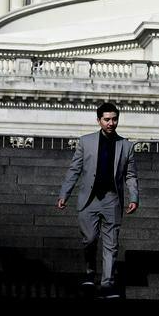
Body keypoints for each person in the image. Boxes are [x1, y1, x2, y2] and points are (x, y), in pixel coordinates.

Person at [56, 102, 139, 298]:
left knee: (111, 244)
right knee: (90, 239)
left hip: (112, 199)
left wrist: (134, 197)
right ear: (99, 120)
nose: (111, 123)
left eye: (114, 119)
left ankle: (107, 283)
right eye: (107, 119)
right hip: (89, 199)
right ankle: (90, 272)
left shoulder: (126, 146)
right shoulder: (86, 142)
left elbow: (130, 175)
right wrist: (64, 194)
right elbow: (74, 169)